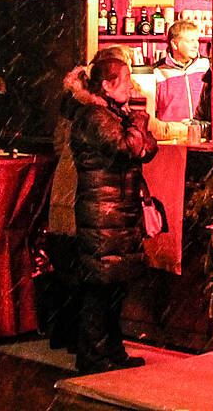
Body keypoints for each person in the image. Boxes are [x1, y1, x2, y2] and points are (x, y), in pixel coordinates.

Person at [61, 53, 159, 374]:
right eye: (126, 81)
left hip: (118, 212)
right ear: (106, 85)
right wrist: (139, 123)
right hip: (102, 213)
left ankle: (113, 350)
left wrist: (138, 131)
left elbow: (149, 149)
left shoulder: (115, 114)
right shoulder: (95, 117)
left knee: (115, 287)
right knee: (99, 288)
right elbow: (127, 149)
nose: (132, 87)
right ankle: (92, 355)